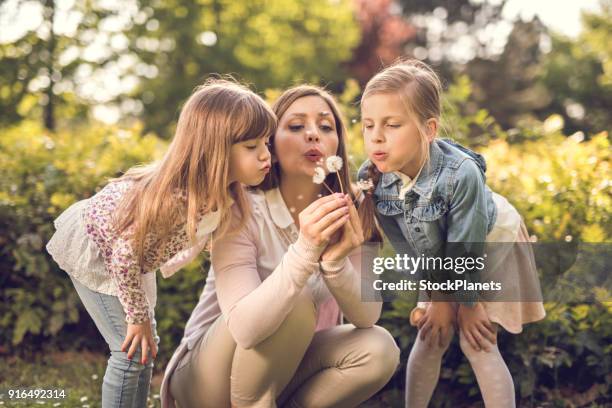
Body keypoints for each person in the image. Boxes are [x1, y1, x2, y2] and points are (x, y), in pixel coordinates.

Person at [162, 85, 400, 408]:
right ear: (268, 144)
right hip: (208, 377)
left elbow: (368, 315)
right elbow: (245, 330)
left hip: (285, 372)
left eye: (326, 126)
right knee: (295, 300)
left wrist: (334, 263)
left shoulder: (354, 210)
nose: (313, 134)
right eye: (296, 126)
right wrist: (305, 250)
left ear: (337, 145)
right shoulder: (239, 208)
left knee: (379, 348)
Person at [46, 78, 276, 408]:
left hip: (131, 257)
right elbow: (124, 257)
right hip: (99, 250)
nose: (266, 155)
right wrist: (136, 318)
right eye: (252, 147)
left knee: (144, 348)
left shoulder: (222, 193)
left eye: (265, 143)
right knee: (129, 351)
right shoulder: (176, 199)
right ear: (214, 150)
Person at [357, 59, 545, 408]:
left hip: (487, 242)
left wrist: (467, 303)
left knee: (478, 340)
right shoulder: (374, 178)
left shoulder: (462, 176)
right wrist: (434, 295)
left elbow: (466, 247)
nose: (376, 137)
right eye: (368, 126)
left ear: (428, 129)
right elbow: (406, 245)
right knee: (431, 334)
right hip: (439, 251)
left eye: (392, 124)